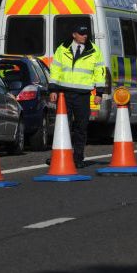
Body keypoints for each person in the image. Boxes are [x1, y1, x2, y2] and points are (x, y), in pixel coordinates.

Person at [49, 24, 106, 168]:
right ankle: (59, 155)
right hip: (64, 93)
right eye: (81, 34)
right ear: (74, 34)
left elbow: (99, 72)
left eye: (86, 34)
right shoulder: (62, 49)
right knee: (62, 126)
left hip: (83, 94)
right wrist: (53, 90)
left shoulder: (94, 51)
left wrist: (99, 92)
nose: (84, 36)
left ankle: (78, 157)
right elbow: (55, 69)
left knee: (81, 127)